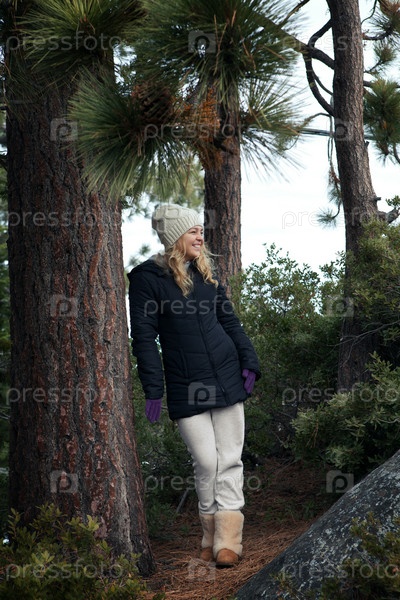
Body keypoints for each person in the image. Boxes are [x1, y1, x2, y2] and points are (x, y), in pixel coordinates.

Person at [128, 203, 260, 568]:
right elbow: (144, 337)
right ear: (175, 237)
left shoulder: (204, 274)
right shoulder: (146, 279)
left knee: (229, 459)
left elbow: (230, 322)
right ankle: (208, 535)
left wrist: (249, 361)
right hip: (185, 383)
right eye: (193, 231)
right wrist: (153, 389)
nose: (201, 237)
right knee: (205, 461)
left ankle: (227, 541)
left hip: (226, 375)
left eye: (201, 230)